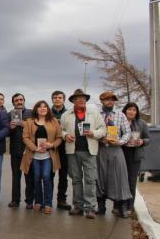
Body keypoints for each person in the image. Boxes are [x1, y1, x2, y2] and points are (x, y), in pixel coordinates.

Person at [61, 89, 106, 219]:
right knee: (76, 180)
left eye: (83, 98)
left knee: (90, 180)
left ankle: (90, 208)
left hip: (89, 151)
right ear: (73, 101)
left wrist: (93, 133)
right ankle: (78, 206)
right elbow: (61, 130)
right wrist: (66, 135)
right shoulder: (66, 114)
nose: (81, 100)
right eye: (78, 98)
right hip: (72, 151)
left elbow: (102, 129)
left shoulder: (94, 113)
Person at [21, 101, 62, 214]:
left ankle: (48, 203)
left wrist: (52, 145)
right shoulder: (29, 122)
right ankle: (38, 201)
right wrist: (35, 148)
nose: (42, 108)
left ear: (48, 109)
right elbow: (25, 137)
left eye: (45, 107)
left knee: (46, 177)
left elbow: (59, 137)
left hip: (49, 156)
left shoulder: (53, 121)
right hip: (33, 156)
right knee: (36, 178)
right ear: (36, 109)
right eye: (40, 107)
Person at [96, 91, 132, 218]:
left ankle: (121, 207)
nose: (110, 101)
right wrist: (100, 138)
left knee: (119, 177)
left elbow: (127, 133)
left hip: (116, 150)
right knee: (100, 177)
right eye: (107, 99)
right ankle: (101, 207)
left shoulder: (120, 115)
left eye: (112, 99)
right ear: (102, 101)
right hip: (101, 149)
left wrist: (120, 141)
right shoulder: (96, 115)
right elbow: (92, 130)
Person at [122, 102, 150, 214]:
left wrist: (142, 141)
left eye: (134, 110)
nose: (131, 112)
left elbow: (148, 138)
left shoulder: (142, 123)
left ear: (136, 112)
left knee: (131, 182)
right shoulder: (120, 122)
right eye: (129, 109)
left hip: (135, 155)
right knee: (121, 181)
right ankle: (119, 205)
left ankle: (129, 206)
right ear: (125, 111)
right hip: (121, 153)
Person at [8, 93, 34, 209]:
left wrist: (25, 124)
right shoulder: (10, 114)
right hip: (15, 150)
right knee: (16, 177)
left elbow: (37, 129)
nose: (19, 102)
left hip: (29, 150)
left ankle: (29, 201)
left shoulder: (32, 113)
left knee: (29, 177)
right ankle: (15, 200)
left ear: (24, 100)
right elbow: (6, 132)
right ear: (13, 103)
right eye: (16, 100)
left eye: (21, 99)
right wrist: (10, 128)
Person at [51, 90, 71, 211]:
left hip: (65, 148)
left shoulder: (69, 113)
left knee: (63, 176)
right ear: (52, 100)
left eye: (59, 97)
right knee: (49, 175)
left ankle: (61, 200)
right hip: (51, 147)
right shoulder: (47, 113)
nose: (57, 99)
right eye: (55, 97)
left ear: (64, 99)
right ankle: (48, 200)